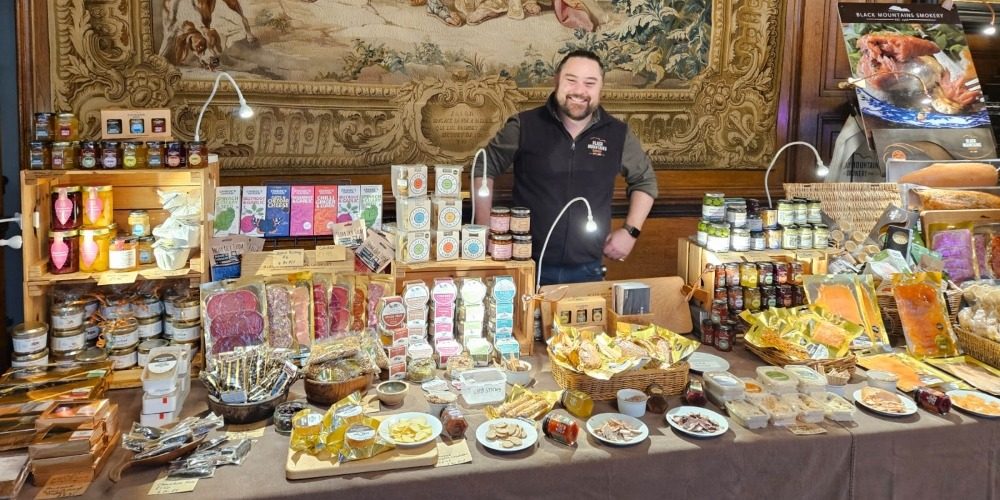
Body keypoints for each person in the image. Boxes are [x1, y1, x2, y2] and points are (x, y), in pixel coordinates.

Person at [474, 49, 658, 286]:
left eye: (590, 83)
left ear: (601, 87)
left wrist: (630, 232)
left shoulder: (617, 134)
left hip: (588, 269)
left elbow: (645, 181)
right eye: (571, 80)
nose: (579, 91)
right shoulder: (524, 125)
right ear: (557, 80)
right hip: (525, 264)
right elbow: (484, 165)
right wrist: (484, 228)